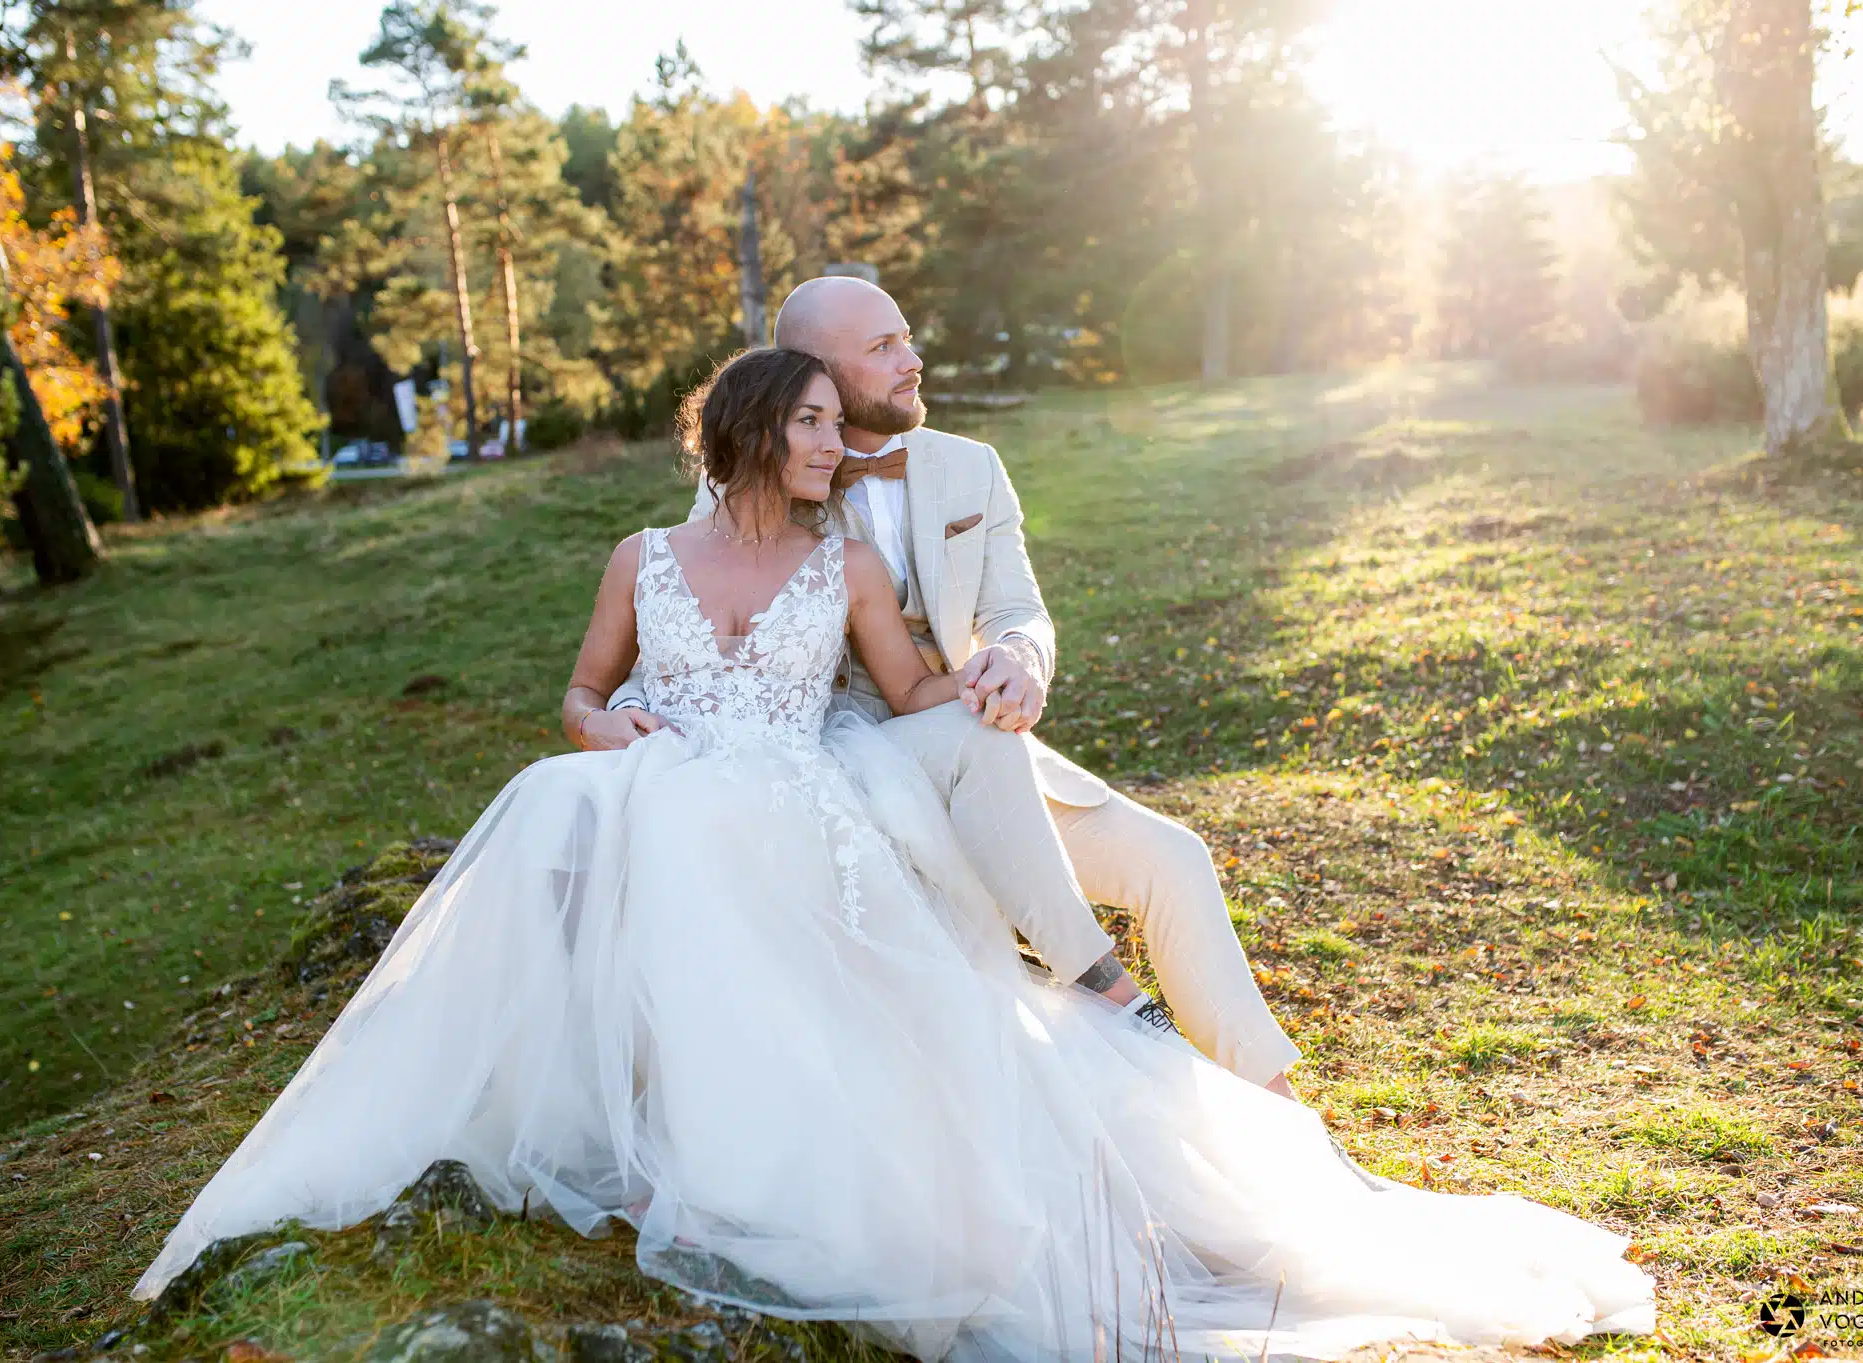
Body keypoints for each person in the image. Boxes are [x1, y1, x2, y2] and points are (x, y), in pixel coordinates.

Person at [133, 349, 1655, 1360]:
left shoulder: (846, 557)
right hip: (659, 792)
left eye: (836, 425)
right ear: (746, 430)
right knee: (558, 806)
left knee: (784, 903)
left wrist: (998, 679)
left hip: (798, 801)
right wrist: (611, 739)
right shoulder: (639, 558)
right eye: (808, 424)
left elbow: (918, 691)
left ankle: (818, 1149)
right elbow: (579, 691)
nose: (836, 444)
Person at [596, 276, 1302, 1096]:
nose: (914, 360)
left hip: (977, 743)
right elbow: (687, 622)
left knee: (1174, 860)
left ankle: (1277, 1109)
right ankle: (1102, 990)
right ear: (810, 373)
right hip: (837, 769)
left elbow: (1018, 609)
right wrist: (623, 713)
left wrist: (1020, 659)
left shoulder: (973, 467)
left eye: (907, 337)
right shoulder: (752, 472)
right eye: (884, 348)